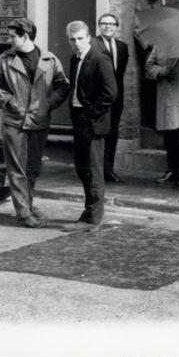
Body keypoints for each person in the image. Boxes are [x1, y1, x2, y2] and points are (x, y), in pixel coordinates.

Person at [0, 17, 69, 228]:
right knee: (17, 170)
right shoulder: (4, 60)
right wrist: (11, 101)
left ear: (26, 36)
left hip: (39, 121)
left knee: (33, 168)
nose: (9, 40)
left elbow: (63, 86)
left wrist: (48, 103)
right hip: (15, 122)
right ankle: (23, 213)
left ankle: (27, 205)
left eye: (13, 36)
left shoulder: (49, 60)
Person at [62, 20, 117, 232]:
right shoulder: (75, 59)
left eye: (80, 39)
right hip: (79, 120)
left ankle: (93, 219)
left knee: (93, 170)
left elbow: (110, 93)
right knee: (82, 168)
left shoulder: (99, 58)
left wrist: (90, 114)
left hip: (92, 123)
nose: (76, 43)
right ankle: (89, 212)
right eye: (72, 39)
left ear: (88, 38)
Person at [145, 46, 179, 188]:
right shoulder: (159, 45)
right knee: (170, 137)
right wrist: (160, 71)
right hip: (167, 97)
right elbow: (149, 65)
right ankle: (172, 171)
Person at [133, 0, 179, 131]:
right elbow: (137, 28)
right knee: (154, 86)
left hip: (174, 49)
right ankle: (157, 125)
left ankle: (175, 123)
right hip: (153, 50)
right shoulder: (142, 4)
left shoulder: (176, 1)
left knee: (175, 85)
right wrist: (149, 44)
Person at [96, 12, 130, 183]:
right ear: (99, 26)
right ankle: (96, 171)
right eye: (104, 23)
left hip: (117, 98)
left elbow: (119, 74)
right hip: (99, 98)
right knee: (98, 134)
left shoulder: (123, 47)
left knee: (113, 132)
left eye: (111, 24)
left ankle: (108, 170)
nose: (108, 26)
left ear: (116, 27)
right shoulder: (93, 45)